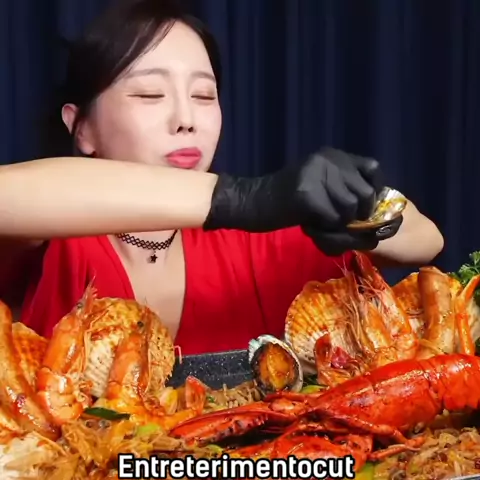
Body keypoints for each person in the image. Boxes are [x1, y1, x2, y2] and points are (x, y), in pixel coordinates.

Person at [0, 0, 443, 354]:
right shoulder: (48, 243)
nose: (186, 119)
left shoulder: (255, 241)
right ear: (81, 128)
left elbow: (423, 240)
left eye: (203, 95)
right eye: (150, 94)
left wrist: (354, 206)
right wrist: (244, 199)